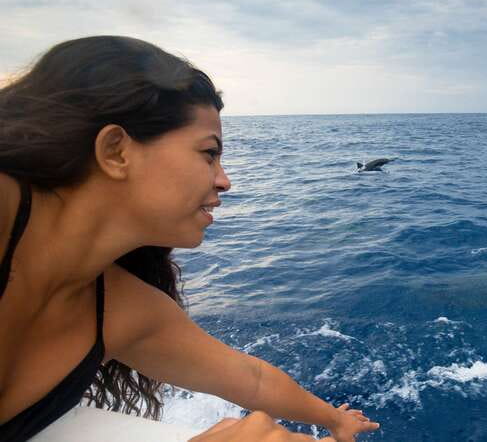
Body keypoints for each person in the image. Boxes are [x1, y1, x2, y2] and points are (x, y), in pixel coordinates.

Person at [0, 35, 379, 441]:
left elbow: (251, 380)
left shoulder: (121, 310)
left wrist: (335, 420)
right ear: (116, 151)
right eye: (208, 153)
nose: (225, 181)